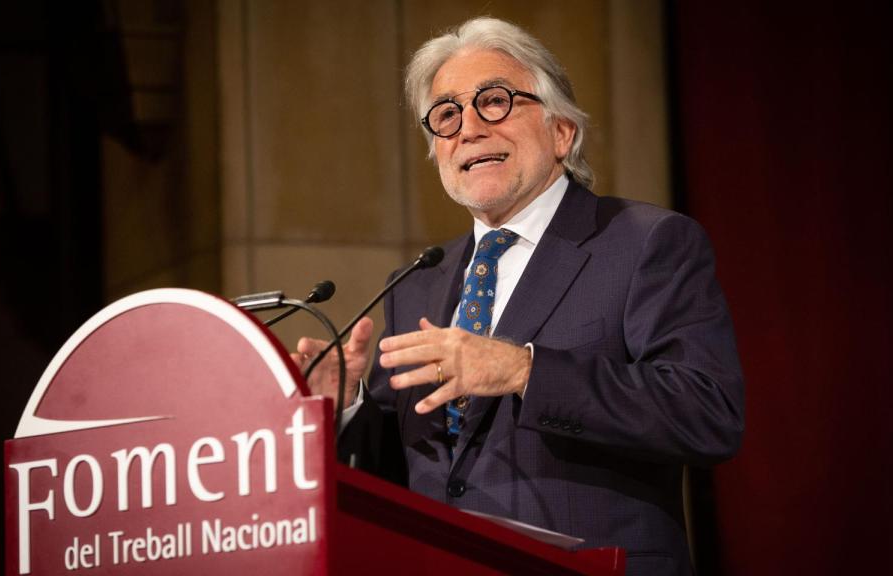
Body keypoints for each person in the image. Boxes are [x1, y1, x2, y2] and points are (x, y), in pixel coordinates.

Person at [293, 17, 744, 576]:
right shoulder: (417, 283)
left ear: (562, 132)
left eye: (496, 101)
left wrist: (525, 370)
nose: (469, 129)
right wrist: (343, 412)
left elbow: (707, 413)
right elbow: (400, 472)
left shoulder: (643, 243)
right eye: (447, 115)